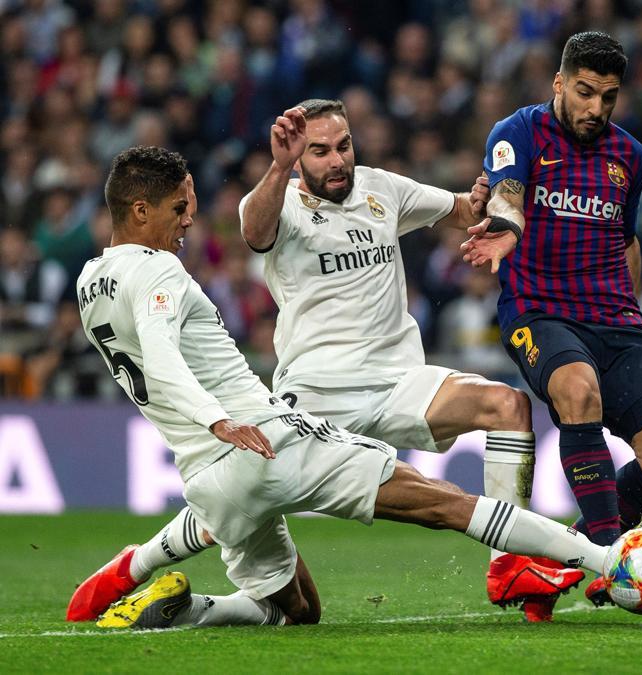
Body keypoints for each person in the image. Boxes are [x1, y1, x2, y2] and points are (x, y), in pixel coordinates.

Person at [67, 99, 565, 625]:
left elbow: (464, 208)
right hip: (314, 391)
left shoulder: (382, 189)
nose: (337, 161)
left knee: (506, 405)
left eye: (343, 146)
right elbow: (253, 234)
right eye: (320, 151)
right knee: (272, 559)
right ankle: (148, 572)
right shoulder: (276, 203)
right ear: (300, 158)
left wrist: (497, 189)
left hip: (397, 381)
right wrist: (279, 167)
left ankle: (512, 564)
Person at [460, 31, 642, 606]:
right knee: (576, 388)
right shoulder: (517, 133)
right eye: (585, 92)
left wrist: (632, 316)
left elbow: (627, 238)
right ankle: (612, 556)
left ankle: (558, 557)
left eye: (608, 97)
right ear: (559, 83)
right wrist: (506, 228)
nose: (595, 108)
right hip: (539, 311)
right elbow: (508, 194)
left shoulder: (629, 157)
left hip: (614, 318)